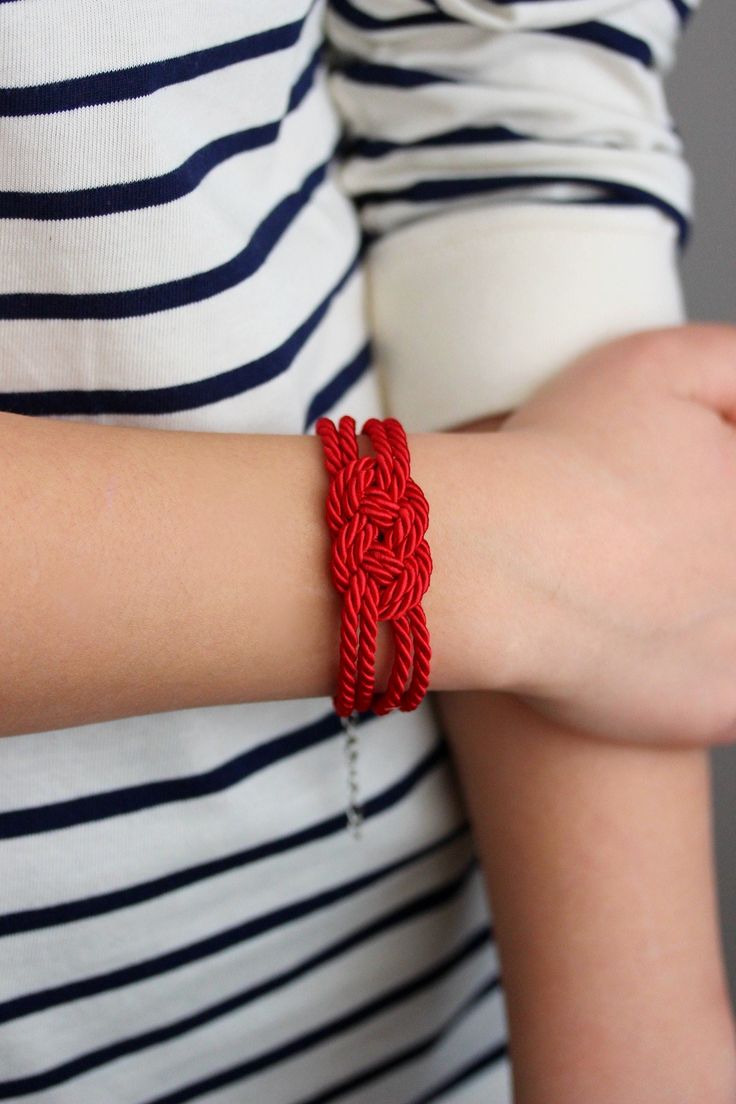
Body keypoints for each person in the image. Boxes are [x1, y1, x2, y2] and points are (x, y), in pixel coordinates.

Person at [0, 1, 734, 1102]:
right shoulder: (548, 558)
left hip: (399, 996)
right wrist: (539, 552)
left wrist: (638, 1045)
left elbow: (501, 108)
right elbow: (595, 566)